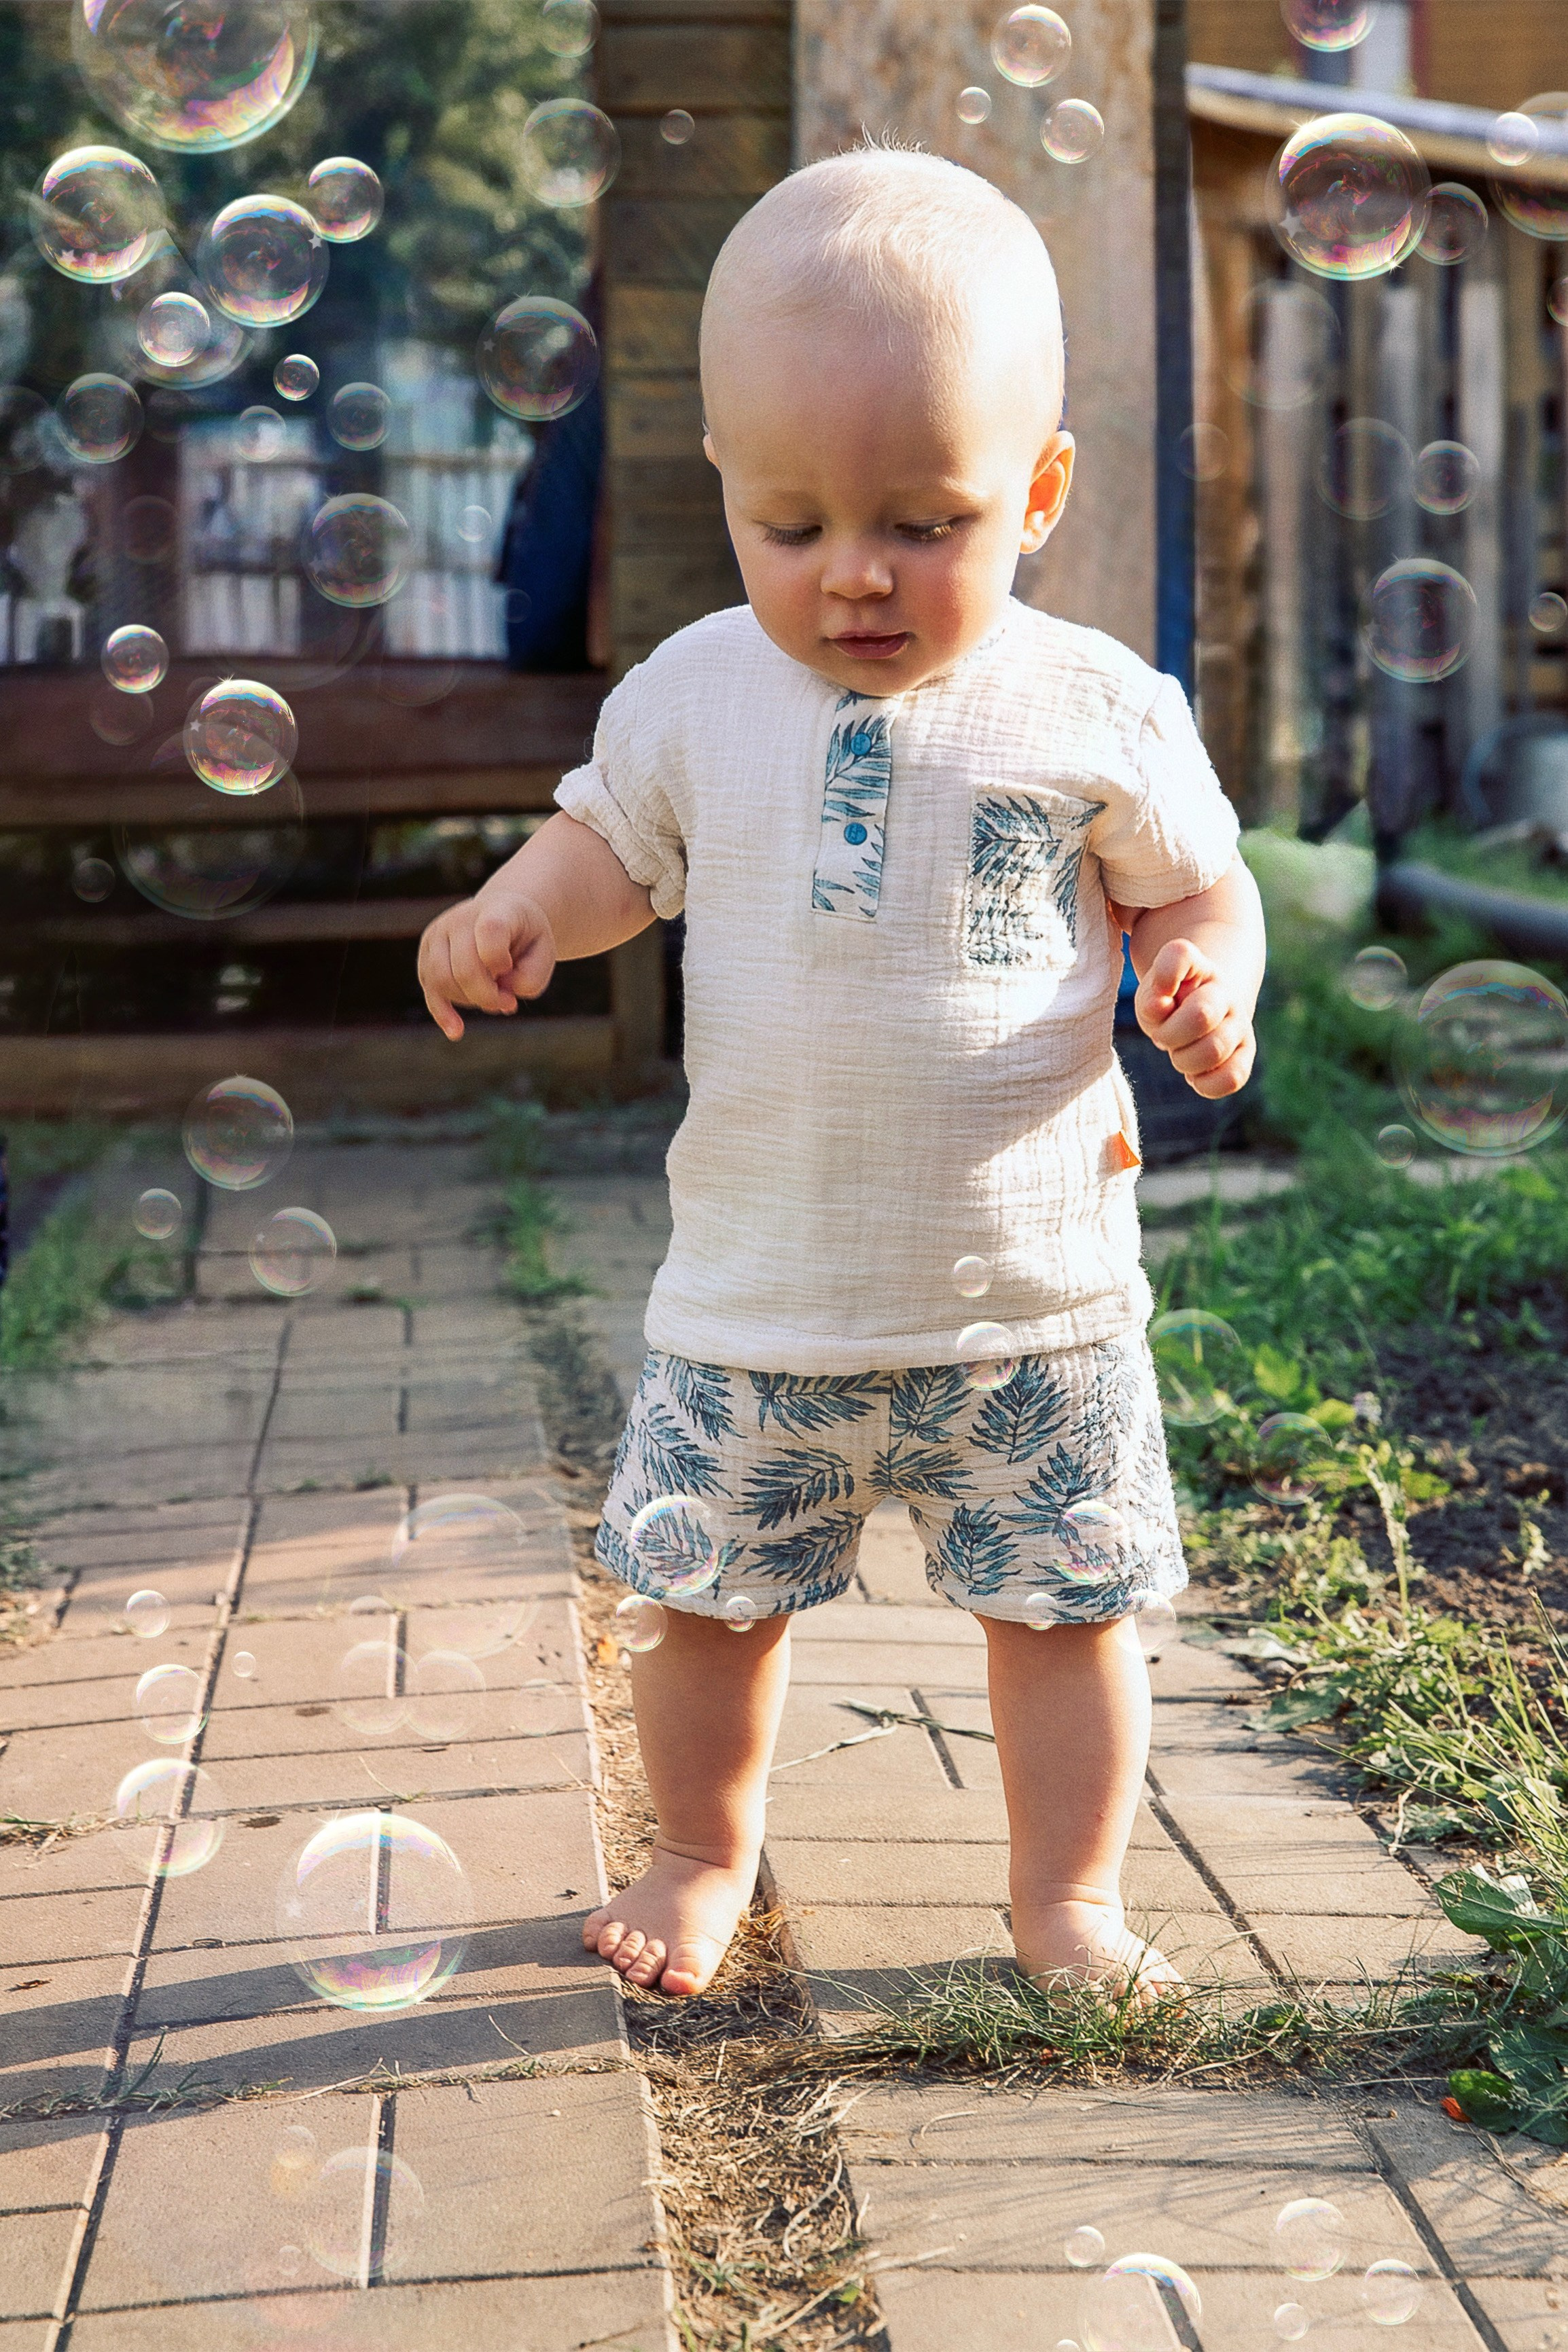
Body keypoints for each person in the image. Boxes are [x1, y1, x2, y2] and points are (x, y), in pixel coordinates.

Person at [417, 147, 1265, 2003]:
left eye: (924, 522)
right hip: (758, 1295)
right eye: (790, 524)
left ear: (1036, 493)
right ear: (725, 485)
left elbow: (1198, 884)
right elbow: (608, 850)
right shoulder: (692, 691)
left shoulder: (1095, 705)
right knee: (700, 1602)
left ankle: (1066, 1900)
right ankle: (700, 1853)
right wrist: (516, 912)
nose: (854, 573)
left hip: (1029, 1302)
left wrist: (1207, 974)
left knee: (1068, 1615)